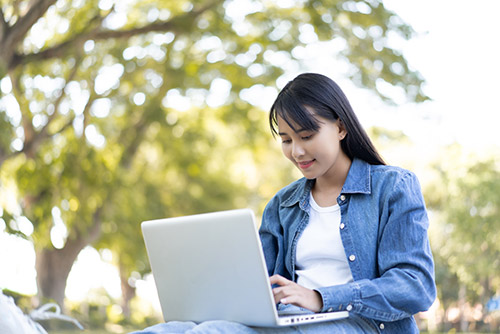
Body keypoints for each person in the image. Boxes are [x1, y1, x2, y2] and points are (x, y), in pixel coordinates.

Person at [131, 73, 436, 333]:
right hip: (291, 320)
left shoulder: (392, 187)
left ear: (341, 128)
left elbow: (414, 285)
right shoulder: (283, 205)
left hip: (361, 324)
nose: (297, 152)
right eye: (287, 140)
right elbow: (257, 285)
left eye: (307, 135)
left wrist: (320, 297)